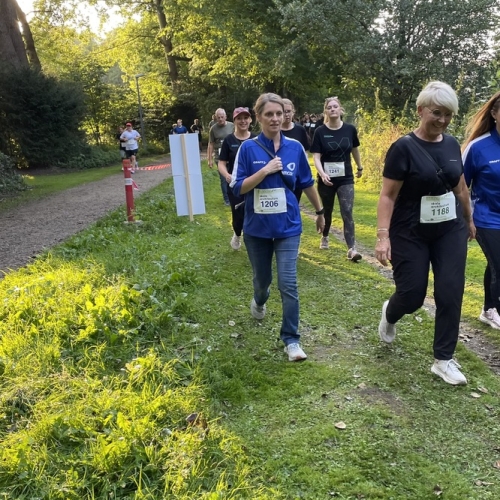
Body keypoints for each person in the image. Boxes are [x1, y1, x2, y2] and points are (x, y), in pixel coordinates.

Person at [375, 81, 475, 386]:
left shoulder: (452, 144)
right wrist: (382, 236)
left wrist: (469, 219)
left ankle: (443, 360)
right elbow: (388, 195)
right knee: (412, 295)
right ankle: (391, 313)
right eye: (436, 113)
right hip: (410, 231)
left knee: (450, 290)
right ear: (420, 110)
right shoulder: (403, 148)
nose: (442, 120)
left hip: (449, 229)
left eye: (448, 114)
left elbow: (460, 187)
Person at [230, 93, 325, 362]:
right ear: (258, 117)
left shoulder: (295, 147)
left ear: (285, 116)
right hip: (257, 229)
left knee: (288, 283)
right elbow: (237, 187)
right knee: (263, 282)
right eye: (269, 114)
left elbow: (306, 183)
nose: (275, 118)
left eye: (279, 114)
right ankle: (259, 299)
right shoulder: (247, 149)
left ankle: (291, 340)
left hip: (288, 227)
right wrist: (265, 170)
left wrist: (320, 212)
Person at [462, 91, 500, 330]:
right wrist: (466, 219)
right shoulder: (478, 147)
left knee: (496, 263)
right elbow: (459, 185)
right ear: (494, 114)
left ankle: (488, 308)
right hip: (486, 218)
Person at [311, 96, 363, 260]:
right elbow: (316, 157)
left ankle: (352, 249)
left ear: (340, 110)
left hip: (345, 178)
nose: (332, 109)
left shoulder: (350, 129)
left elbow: (354, 149)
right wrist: (322, 174)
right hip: (326, 179)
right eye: (329, 107)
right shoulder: (320, 131)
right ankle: (325, 236)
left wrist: (359, 167)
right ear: (325, 112)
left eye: (335, 106)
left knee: (347, 211)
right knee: (327, 211)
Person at [218, 107, 256, 250]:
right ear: (234, 121)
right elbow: (221, 163)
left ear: (250, 120)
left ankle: (255, 240)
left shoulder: (256, 139)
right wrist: (226, 175)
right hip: (235, 184)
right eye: (239, 118)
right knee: (238, 212)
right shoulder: (229, 140)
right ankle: (237, 233)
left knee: (255, 211)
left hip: (254, 182)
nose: (243, 121)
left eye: (245, 118)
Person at [281, 98, 310, 202]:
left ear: (293, 112)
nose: (286, 115)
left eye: (289, 111)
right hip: (279, 174)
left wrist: (303, 168)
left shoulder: (300, 130)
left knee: (294, 202)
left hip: (295, 173)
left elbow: (305, 151)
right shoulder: (274, 130)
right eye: (284, 112)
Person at [208, 108, 234, 205]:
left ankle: (234, 196)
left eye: (222, 117)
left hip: (231, 155)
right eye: (218, 117)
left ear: (225, 117)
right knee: (223, 179)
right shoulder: (213, 129)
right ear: (215, 118)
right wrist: (209, 159)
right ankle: (227, 199)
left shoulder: (232, 126)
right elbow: (211, 144)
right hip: (219, 157)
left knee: (233, 176)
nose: (220, 119)